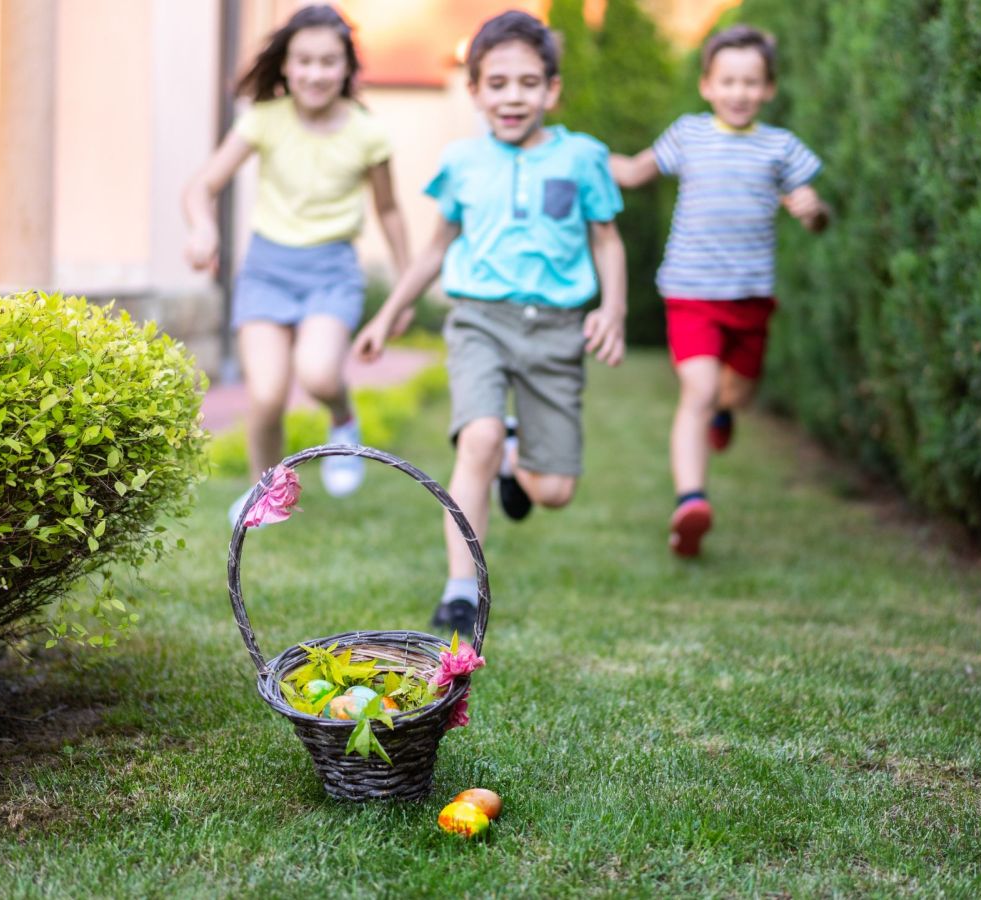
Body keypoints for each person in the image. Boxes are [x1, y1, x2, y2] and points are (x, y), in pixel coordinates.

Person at [354, 10, 627, 637]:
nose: (513, 96)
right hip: (479, 320)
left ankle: (514, 458)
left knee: (554, 490)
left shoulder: (582, 158)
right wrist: (389, 314)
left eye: (528, 83)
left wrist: (612, 309)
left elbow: (607, 241)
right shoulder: (462, 162)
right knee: (473, 437)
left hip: (557, 330)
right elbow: (433, 249)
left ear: (552, 90)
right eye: (497, 83)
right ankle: (460, 591)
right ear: (473, 90)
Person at [183, 4, 410, 526]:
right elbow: (202, 186)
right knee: (264, 395)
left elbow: (391, 210)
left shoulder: (367, 133)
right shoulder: (264, 120)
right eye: (303, 61)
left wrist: (402, 289)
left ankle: (342, 417)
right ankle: (269, 494)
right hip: (266, 269)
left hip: (332, 271)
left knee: (318, 371)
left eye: (328, 62)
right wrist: (202, 227)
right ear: (285, 65)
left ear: (348, 68)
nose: (315, 73)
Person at [610, 23, 829, 558]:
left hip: (750, 297)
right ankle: (691, 501)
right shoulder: (689, 134)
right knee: (699, 392)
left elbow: (816, 209)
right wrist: (587, 160)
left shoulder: (781, 148)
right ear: (707, 85)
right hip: (691, 293)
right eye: (728, 81)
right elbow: (638, 170)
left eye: (751, 83)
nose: (739, 93)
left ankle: (725, 416)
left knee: (736, 395)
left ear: (769, 89)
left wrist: (814, 211)